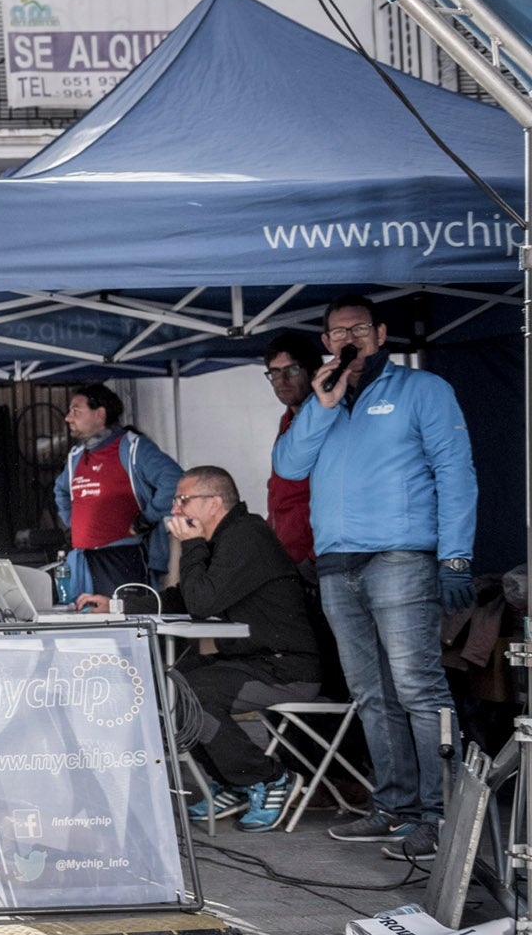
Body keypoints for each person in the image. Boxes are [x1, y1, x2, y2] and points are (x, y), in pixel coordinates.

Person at [273, 293, 477, 863]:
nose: (348, 339)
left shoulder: (423, 390)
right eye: (337, 333)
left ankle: (442, 817)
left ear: (380, 333)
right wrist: (320, 403)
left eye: (358, 328)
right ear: (326, 344)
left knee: (417, 688)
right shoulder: (321, 401)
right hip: (338, 562)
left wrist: (455, 557)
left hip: (400, 557)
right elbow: (289, 467)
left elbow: (456, 472)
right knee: (370, 693)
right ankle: (395, 807)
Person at [78, 466, 322, 830]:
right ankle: (233, 781)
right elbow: (183, 598)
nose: (175, 509)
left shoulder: (246, 535)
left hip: (286, 668)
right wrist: (118, 606)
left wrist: (189, 546)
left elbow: (201, 602)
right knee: (171, 685)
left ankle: (268, 777)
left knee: (193, 694)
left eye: (183, 500)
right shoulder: (225, 537)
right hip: (252, 661)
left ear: (215, 503)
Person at [54, 383, 182, 601]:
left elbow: (175, 479)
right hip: (83, 560)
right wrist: (72, 523)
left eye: (76, 411)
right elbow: (61, 490)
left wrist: (148, 517)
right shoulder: (76, 454)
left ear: (100, 414)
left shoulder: (133, 447)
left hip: (122, 558)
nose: (68, 418)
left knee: (128, 628)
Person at [261, 333, 323, 567]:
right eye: (274, 372)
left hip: (317, 558)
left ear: (314, 372)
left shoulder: (326, 420)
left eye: (292, 370)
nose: (281, 380)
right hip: (287, 555)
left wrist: (314, 557)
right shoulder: (288, 420)